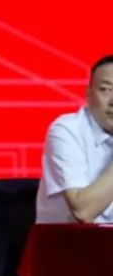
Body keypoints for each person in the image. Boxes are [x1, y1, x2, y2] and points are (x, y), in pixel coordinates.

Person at [36, 55, 113, 223]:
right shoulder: (66, 130)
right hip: (68, 238)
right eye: (106, 89)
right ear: (88, 93)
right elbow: (83, 212)